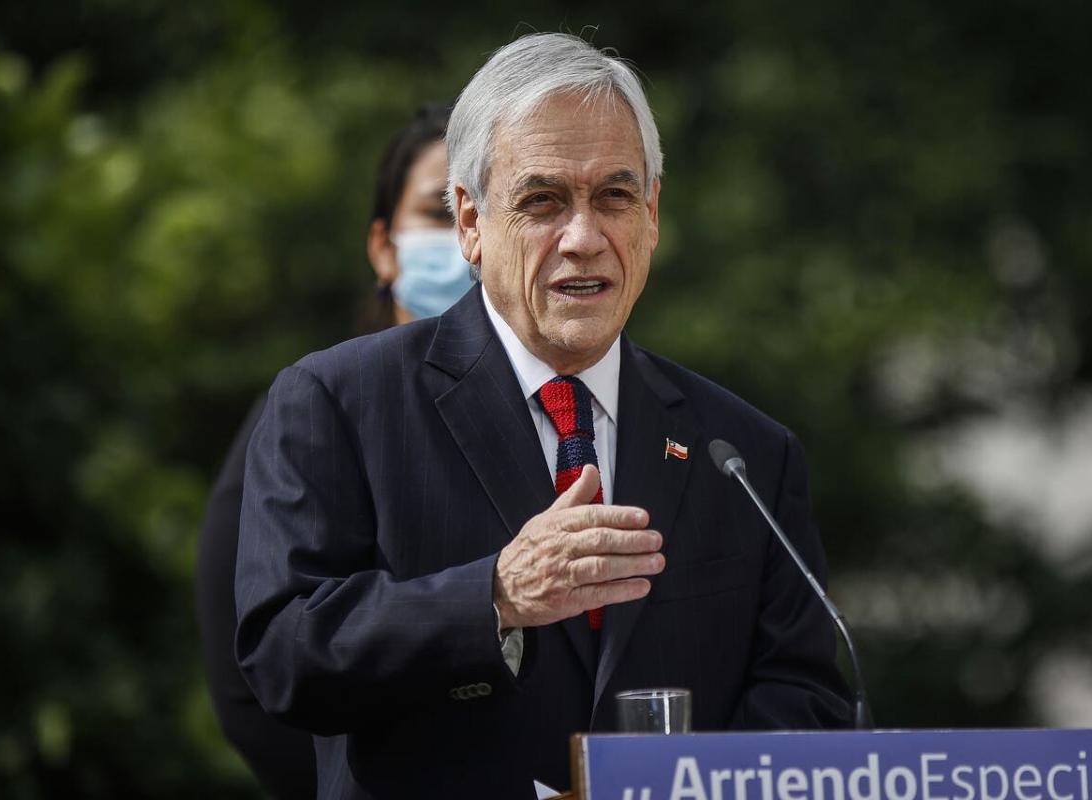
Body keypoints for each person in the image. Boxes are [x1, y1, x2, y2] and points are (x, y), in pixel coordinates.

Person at [236, 33, 852, 798]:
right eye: (542, 201)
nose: (584, 239)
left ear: (652, 214)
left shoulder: (744, 450)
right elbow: (286, 656)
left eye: (614, 197)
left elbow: (804, 696)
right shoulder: (339, 402)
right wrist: (494, 595)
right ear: (469, 222)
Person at [195, 103, 470, 799]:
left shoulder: (560, 408)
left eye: (482, 212)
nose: (463, 238)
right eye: (437, 213)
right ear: (383, 246)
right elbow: (250, 671)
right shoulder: (314, 408)